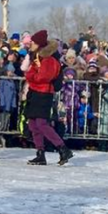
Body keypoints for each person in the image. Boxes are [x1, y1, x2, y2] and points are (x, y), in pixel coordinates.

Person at [24, 29, 71, 165]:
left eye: (33, 42)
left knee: (42, 123)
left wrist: (32, 76)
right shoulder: (37, 57)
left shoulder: (49, 59)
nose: (31, 44)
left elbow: (43, 77)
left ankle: (62, 148)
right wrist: (32, 76)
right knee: (33, 124)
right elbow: (31, 72)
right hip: (34, 92)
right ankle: (40, 152)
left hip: (44, 93)